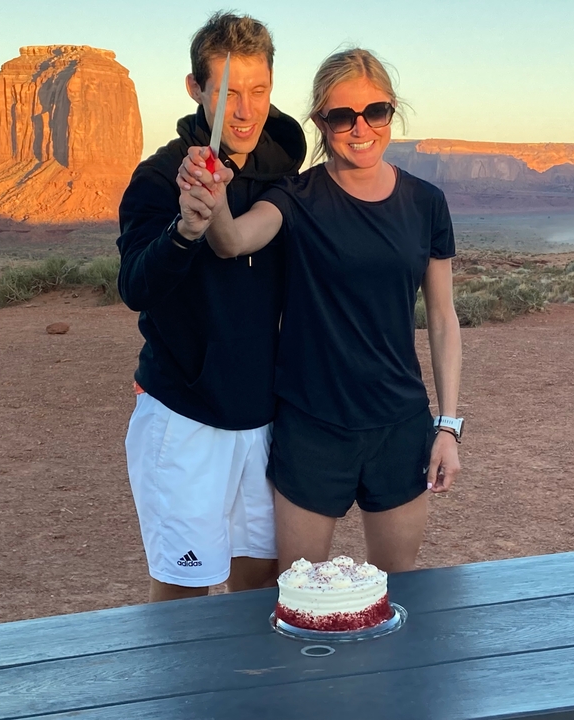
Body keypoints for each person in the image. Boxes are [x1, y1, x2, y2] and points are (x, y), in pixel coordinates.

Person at [177, 48, 462, 574]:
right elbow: (233, 242)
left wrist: (448, 426)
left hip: (398, 425)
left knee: (396, 593)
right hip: (312, 427)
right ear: (319, 122)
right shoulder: (296, 197)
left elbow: (443, 319)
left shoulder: (426, 203)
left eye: (375, 112)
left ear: (391, 111)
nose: (361, 128)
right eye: (340, 116)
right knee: (298, 594)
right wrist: (213, 203)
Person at [116, 12, 307, 602]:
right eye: (227, 93)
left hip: (264, 420)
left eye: (258, 91)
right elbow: (135, 287)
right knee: (184, 596)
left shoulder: (284, 173)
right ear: (197, 89)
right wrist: (184, 231)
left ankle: (247, 696)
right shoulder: (158, 179)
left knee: (262, 581)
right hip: (186, 416)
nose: (245, 111)